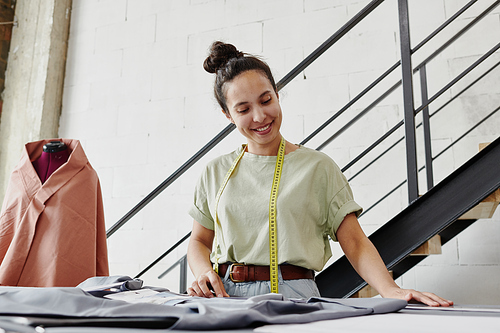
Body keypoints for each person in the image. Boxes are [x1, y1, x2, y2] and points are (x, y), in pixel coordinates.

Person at [187, 41, 452, 306]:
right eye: (243, 109)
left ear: (277, 94)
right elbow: (199, 241)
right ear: (228, 115)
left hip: (294, 296)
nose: (259, 116)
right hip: (225, 298)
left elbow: (356, 243)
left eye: (266, 100)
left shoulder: (318, 167)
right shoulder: (215, 171)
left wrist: (390, 289)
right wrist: (203, 272)